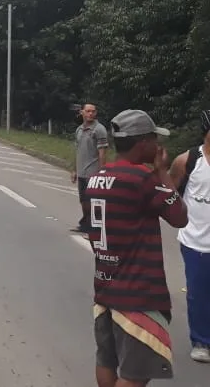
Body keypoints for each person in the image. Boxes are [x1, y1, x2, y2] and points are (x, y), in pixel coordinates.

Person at [85, 109, 187, 386]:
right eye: (155, 139)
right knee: (135, 374)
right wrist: (163, 172)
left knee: (107, 359)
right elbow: (179, 216)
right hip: (137, 295)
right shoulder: (142, 181)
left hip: (105, 289)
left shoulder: (97, 177)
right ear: (143, 143)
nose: (158, 147)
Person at [169, 110, 210, 364]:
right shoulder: (188, 160)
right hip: (196, 241)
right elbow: (170, 192)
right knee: (199, 292)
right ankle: (201, 340)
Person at [71, 103, 108, 235]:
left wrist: (102, 172)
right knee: (83, 200)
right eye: (88, 111)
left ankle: (95, 229)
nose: (90, 114)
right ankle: (85, 224)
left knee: (93, 201)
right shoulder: (79, 130)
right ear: (82, 113)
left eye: (93, 111)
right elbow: (77, 150)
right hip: (81, 171)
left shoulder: (99, 129)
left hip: (93, 172)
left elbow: (102, 152)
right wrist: (74, 169)